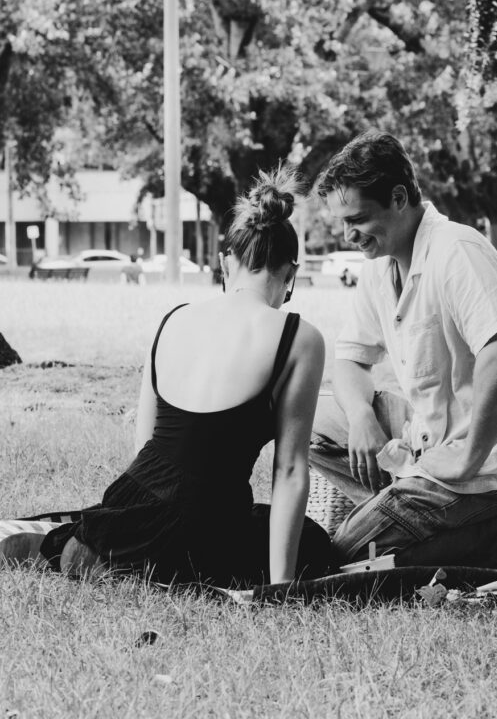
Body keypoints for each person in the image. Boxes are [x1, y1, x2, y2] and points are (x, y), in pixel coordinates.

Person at [5, 169, 334, 587]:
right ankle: (146, 560)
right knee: (313, 541)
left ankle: (106, 549)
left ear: (224, 262)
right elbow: (289, 471)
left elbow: (145, 447)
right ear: (291, 273)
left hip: (130, 501)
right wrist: (280, 588)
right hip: (207, 522)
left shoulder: (173, 320)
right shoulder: (300, 338)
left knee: (194, 516)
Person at [310, 131, 497, 571]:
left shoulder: (456, 251)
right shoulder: (381, 264)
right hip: (424, 447)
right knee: (309, 416)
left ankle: (496, 536)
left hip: (484, 478)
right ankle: (400, 508)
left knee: (335, 555)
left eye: (358, 219)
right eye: (342, 223)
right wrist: (363, 418)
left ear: (399, 198)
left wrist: (469, 458)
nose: (349, 235)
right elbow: (349, 359)